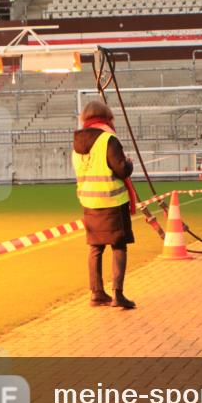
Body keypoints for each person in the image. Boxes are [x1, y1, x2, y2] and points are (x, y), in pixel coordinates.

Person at [72, 101, 138, 309]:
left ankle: (97, 293)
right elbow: (122, 169)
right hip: (112, 201)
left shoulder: (77, 143)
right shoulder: (108, 139)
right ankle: (118, 294)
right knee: (119, 245)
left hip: (89, 202)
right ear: (107, 117)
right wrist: (129, 164)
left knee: (95, 247)